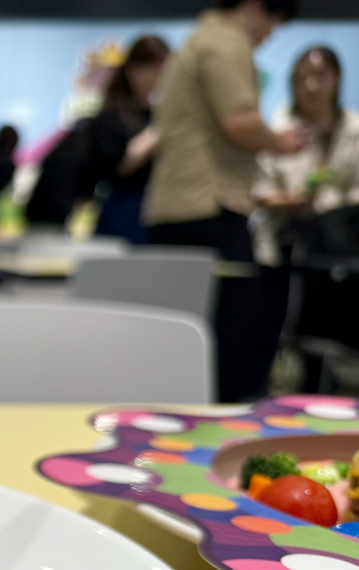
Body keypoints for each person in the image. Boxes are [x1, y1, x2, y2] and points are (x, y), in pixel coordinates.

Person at [144, 0, 307, 402]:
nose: (269, 34)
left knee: (181, 344)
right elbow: (240, 122)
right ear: (254, 7)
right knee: (238, 349)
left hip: (179, 207)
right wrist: (281, 142)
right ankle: (225, 430)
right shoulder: (227, 42)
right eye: (272, 21)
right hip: (208, 206)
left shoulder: (198, 39)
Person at [253, 47, 359, 390]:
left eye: (319, 76)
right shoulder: (278, 130)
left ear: (337, 79)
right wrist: (289, 200)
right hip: (291, 251)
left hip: (345, 255)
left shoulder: (354, 128)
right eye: (301, 79)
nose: (311, 86)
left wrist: (334, 205)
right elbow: (259, 191)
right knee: (289, 337)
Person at [86, 36, 171, 243]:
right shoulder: (112, 117)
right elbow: (121, 164)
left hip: (159, 210)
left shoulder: (160, 114)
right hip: (123, 211)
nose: (158, 77)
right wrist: (160, 130)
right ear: (132, 70)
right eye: (153, 69)